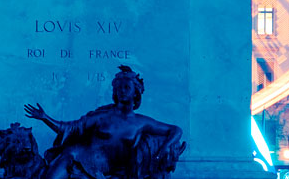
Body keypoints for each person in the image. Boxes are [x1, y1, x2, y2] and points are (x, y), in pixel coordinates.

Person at [23, 66, 184, 179]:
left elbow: (176, 130)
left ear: (136, 93)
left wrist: (164, 148)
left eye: (126, 87)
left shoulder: (142, 122)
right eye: (118, 88)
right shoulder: (103, 115)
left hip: (110, 168)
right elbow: (70, 128)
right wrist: (45, 117)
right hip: (77, 158)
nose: (121, 90)